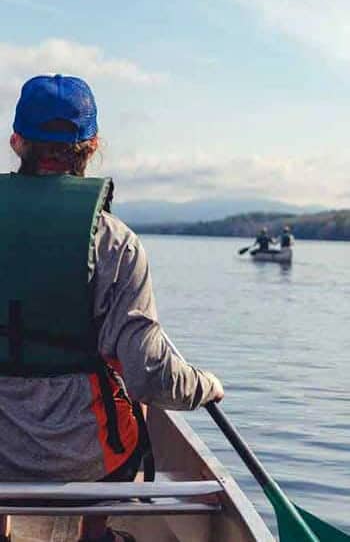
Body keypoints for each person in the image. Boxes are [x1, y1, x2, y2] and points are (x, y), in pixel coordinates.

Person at [0, 75, 224, 542]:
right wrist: (205, 386)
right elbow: (150, 375)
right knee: (133, 397)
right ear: (93, 145)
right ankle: (93, 531)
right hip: (87, 458)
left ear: (17, 141)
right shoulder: (118, 244)